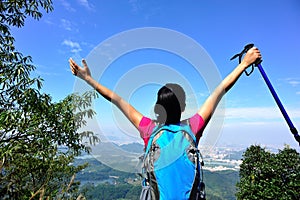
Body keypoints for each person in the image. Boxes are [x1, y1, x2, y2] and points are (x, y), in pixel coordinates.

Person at [69, 46, 261, 198]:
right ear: (183, 106)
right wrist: (243, 64)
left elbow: (115, 98)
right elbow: (219, 91)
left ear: (157, 107)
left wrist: (87, 79)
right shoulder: (193, 127)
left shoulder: (148, 128)